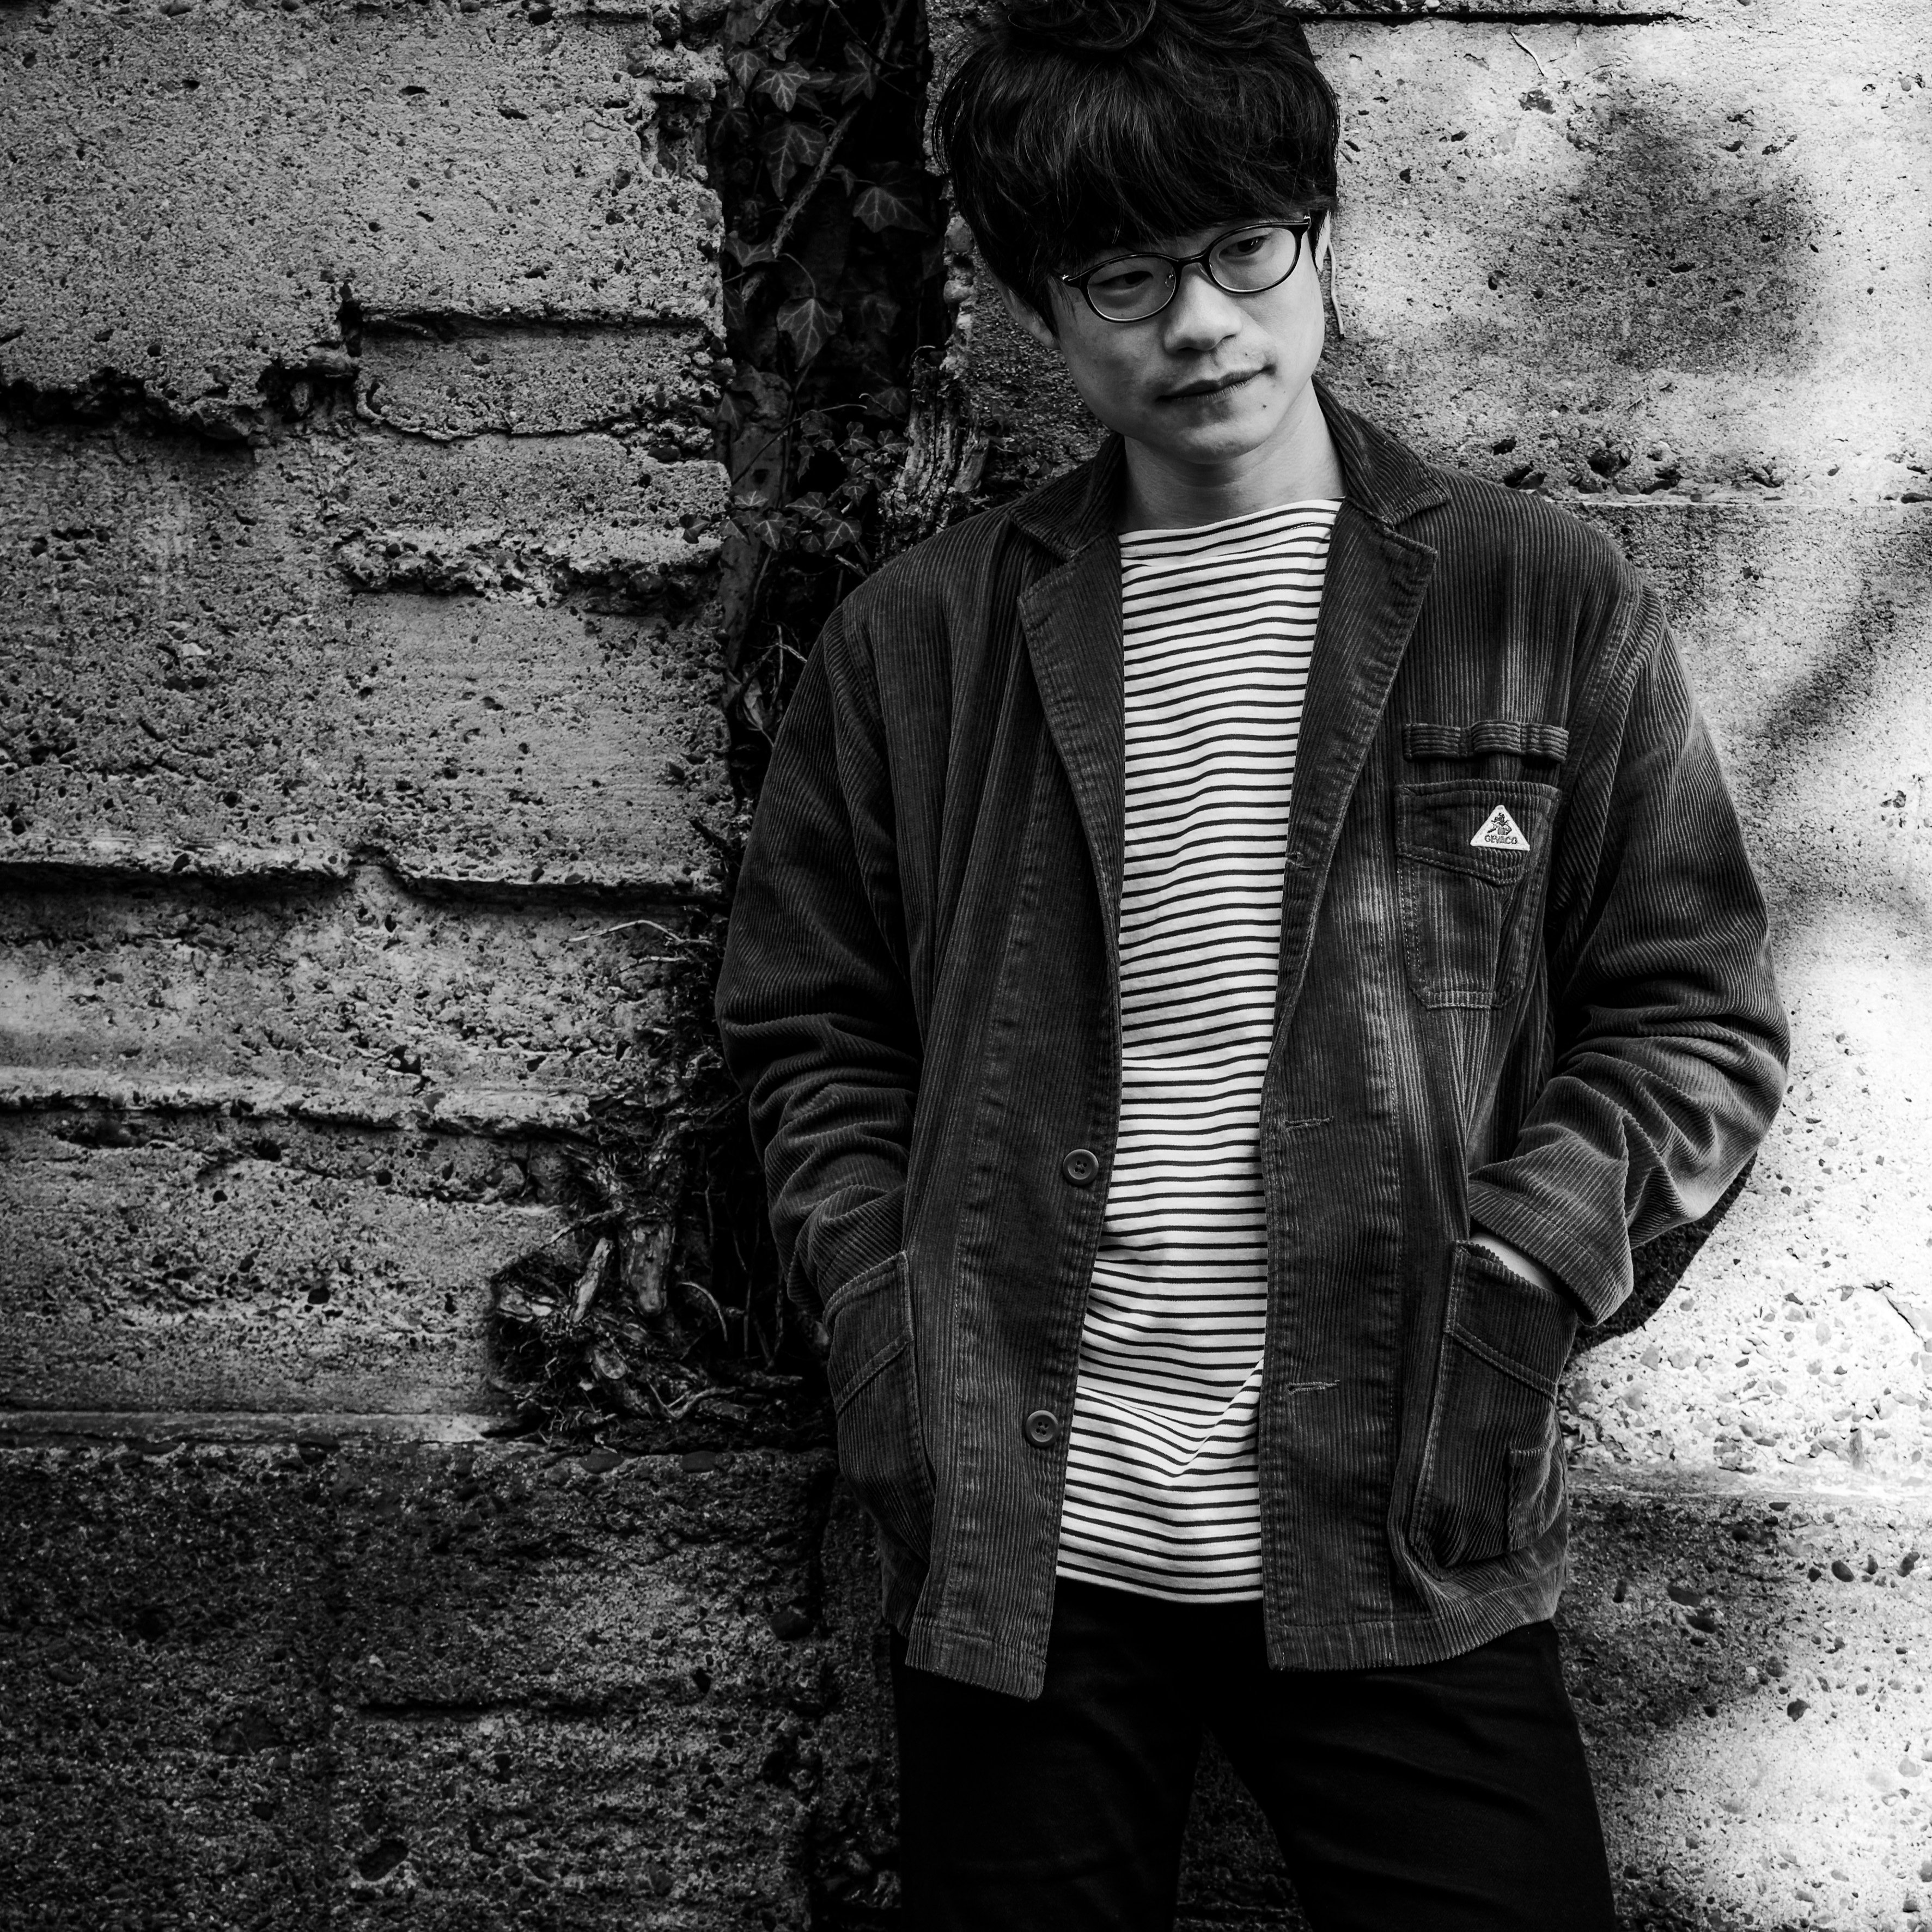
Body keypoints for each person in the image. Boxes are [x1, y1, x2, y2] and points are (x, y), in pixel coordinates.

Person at [715, 1, 1789, 1924]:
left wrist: (1520, 1276)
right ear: (1044, 307)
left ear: (1318, 231)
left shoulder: (1532, 597)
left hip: (1405, 1502)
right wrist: (886, 1328)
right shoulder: (918, 643)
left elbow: (1688, 1016)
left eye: (1241, 249)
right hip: (1025, 1533)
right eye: (1124, 277)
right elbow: (812, 1034)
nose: (1200, 322)